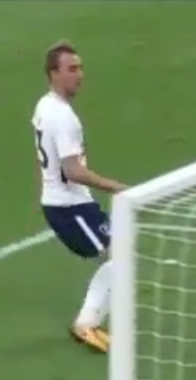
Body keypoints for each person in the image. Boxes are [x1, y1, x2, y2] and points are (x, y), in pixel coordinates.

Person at [32, 40, 127, 353]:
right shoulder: (62, 117)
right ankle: (86, 325)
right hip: (68, 207)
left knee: (121, 253)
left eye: (80, 68)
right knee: (121, 257)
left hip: (70, 202)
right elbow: (72, 170)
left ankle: (88, 323)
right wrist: (115, 187)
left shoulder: (44, 106)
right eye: (72, 69)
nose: (80, 75)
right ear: (53, 73)